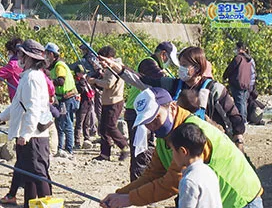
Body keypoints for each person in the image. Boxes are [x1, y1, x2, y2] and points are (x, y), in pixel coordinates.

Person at [100, 87, 263, 208]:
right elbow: (154, 174)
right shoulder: (167, 137)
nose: (152, 126)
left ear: (172, 107)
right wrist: (121, 194)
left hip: (240, 204)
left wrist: (129, 199)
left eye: (155, 119)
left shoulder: (192, 134)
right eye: (147, 122)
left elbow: (171, 183)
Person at [100, 46, 246, 150]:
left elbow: (234, 117)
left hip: (210, 146)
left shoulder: (214, 89)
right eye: (180, 64)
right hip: (182, 148)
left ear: (197, 67)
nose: (180, 69)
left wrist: (238, 141)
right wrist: (117, 67)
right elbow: (142, 81)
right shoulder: (174, 85)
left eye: (184, 65)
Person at [0, 39, 52, 208]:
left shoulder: (31, 78)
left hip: (33, 136)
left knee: (38, 175)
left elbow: (33, 109)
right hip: (30, 134)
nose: (18, 57)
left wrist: (25, 134)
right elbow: (17, 104)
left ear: (28, 57)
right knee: (29, 176)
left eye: (21, 54)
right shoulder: (28, 76)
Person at [165, 123, 232, 208]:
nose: (172, 155)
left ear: (183, 151)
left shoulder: (189, 181)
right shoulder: (208, 171)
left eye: (172, 151)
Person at [125, 41, 179, 181]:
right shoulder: (148, 64)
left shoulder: (156, 65)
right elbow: (160, 80)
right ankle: (139, 185)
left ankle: (143, 184)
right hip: (139, 111)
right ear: (163, 55)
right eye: (169, 60)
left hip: (147, 111)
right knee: (141, 150)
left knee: (147, 148)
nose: (168, 64)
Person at [88, 46, 129, 161]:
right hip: (107, 101)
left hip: (114, 101)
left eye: (102, 60)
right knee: (103, 129)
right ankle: (105, 154)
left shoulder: (114, 68)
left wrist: (95, 81)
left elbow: (108, 84)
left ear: (109, 58)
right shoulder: (108, 69)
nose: (100, 63)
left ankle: (124, 146)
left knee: (110, 126)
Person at [44, 42, 78, 158]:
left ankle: (68, 149)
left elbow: (61, 81)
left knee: (66, 123)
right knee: (60, 123)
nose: (46, 56)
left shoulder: (59, 66)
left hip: (67, 99)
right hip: (61, 99)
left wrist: (48, 82)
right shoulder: (54, 66)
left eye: (48, 54)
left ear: (53, 54)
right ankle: (60, 147)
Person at [223, 42, 254, 123]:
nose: (235, 50)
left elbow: (230, 69)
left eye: (236, 48)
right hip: (246, 83)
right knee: (243, 103)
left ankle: (241, 121)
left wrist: (224, 76)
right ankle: (244, 120)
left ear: (240, 49)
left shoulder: (238, 58)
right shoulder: (249, 59)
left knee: (239, 103)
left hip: (238, 83)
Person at [73, 64, 94, 149]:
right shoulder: (77, 81)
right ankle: (77, 141)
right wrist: (82, 80)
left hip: (88, 103)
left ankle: (87, 139)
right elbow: (80, 90)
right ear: (77, 73)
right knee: (79, 123)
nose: (83, 74)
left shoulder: (84, 81)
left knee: (86, 123)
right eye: (81, 73)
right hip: (81, 104)